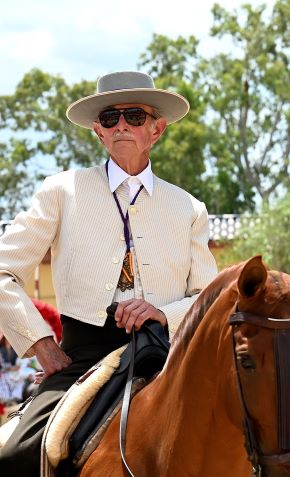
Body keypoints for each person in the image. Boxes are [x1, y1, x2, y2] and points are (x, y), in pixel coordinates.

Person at [0, 71, 218, 474]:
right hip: (81, 359)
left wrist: (161, 314)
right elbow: (2, 271)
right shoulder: (61, 190)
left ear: (157, 129)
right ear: (98, 132)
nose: (121, 125)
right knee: (12, 457)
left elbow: (209, 299)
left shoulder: (189, 208)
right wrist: (40, 344)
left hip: (169, 358)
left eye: (134, 116)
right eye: (110, 117)